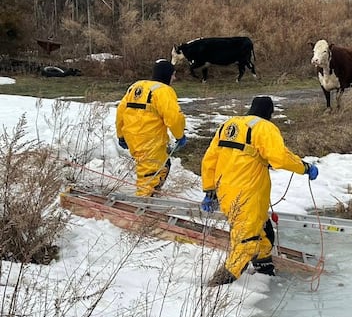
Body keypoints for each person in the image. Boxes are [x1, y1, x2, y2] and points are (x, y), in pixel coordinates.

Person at [201, 95, 319, 287]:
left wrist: (209, 190)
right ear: (270, 113)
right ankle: (216, 286)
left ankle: (265, 274)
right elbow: (280, 157)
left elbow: (209, 159)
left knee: (264, 236)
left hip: (226, 191)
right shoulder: (265, 127)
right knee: (246, 242)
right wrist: (304, 168)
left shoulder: (229, 125)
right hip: (248, 195)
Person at [116, 59, 187, 197]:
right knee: (150, 174)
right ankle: (143, 201)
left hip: (132, 137)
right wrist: (180, 136)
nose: (174, 78)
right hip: (150, 140)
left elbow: (120, 111)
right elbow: (174, 117)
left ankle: (151, 195)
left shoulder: (136, 87)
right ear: (167, 75)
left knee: (163, 165)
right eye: (173, 75)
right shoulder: (164, 91)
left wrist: (121, 135)